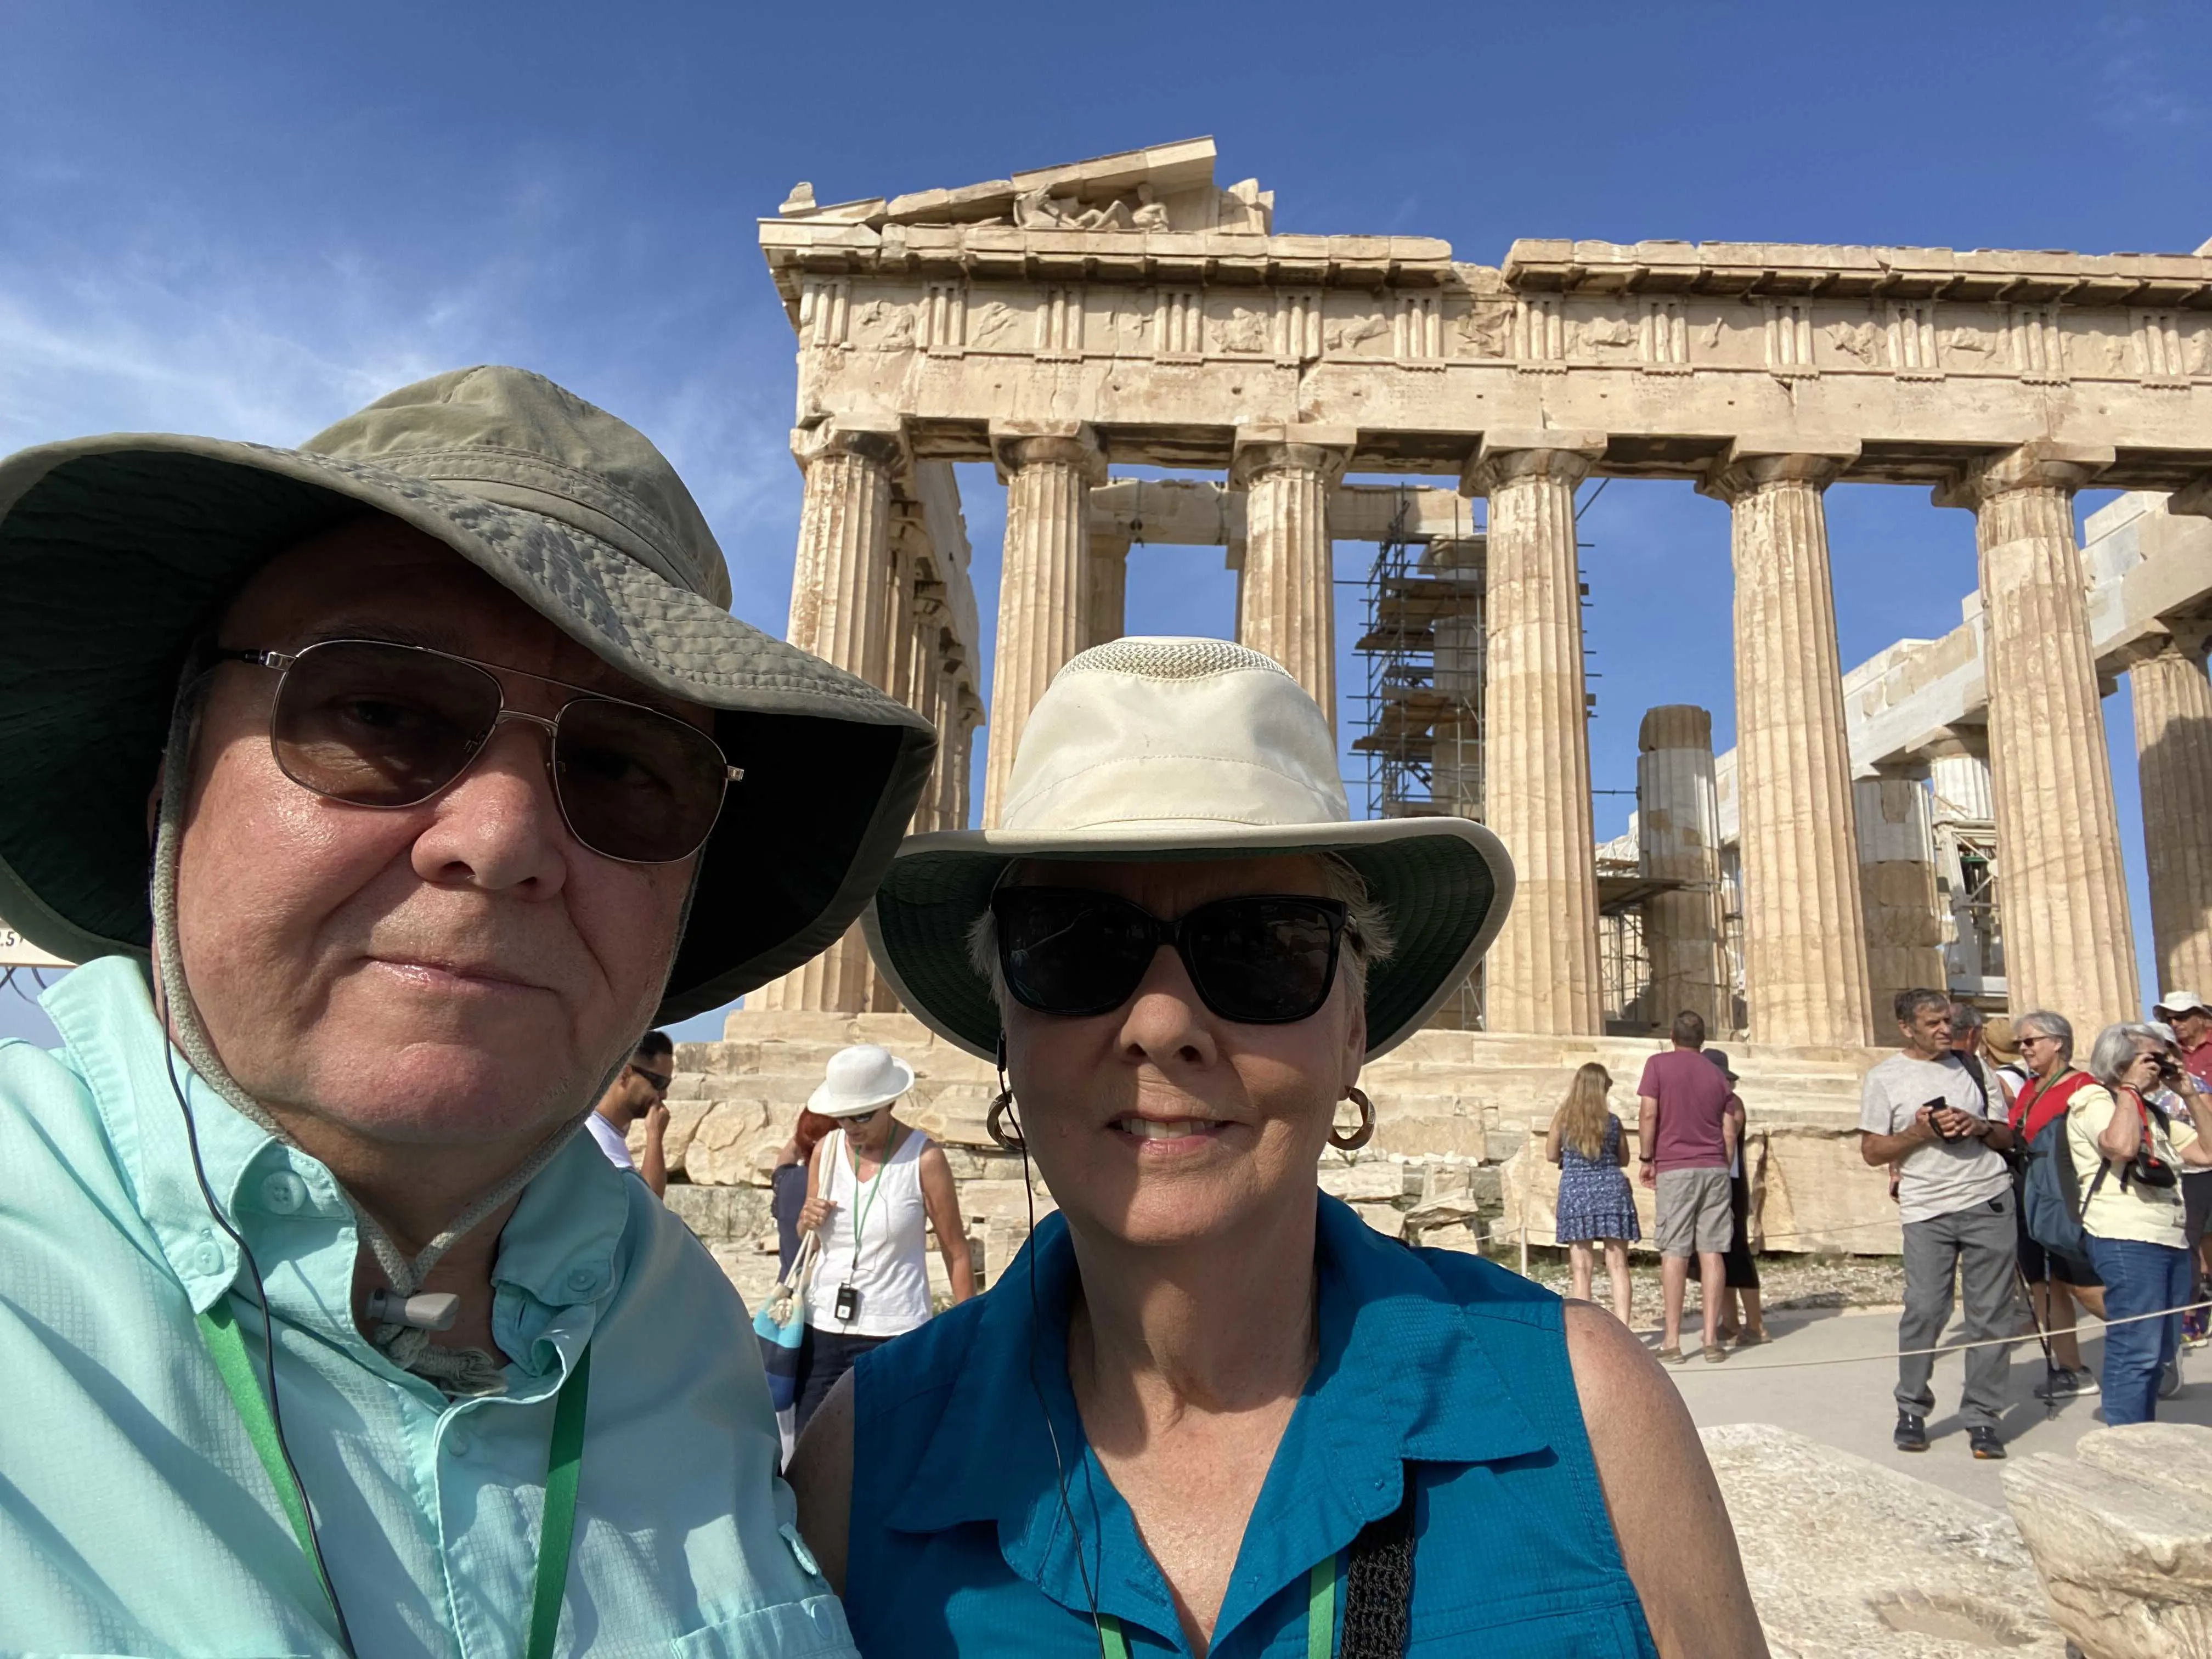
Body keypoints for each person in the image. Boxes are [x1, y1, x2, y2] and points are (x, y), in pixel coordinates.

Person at [0, 366, 938, 1654]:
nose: (501, 840)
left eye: (621, 768)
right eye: (380, 712)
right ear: (168, 784)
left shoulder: (677, 1327)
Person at [793, 637, 1766, 1658]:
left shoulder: (1588, 1414)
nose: (1161, 1022)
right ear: (1005, 1028)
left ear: (1354, 1027)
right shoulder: (860, 1464)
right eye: (1073, 943)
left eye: (1262, 947)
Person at [1858, 988, 2019, 1459]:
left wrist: (1980, 1126)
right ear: (1907, 1028)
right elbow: (1871, 1152)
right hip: (1927, 1207)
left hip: (1987, 1197)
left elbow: (2008, 1135)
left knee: (1991, 1315)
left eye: (1947, 1021)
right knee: (1926, 1310)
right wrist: (1918, 1132)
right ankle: (1911, 1408)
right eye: (1932, 1023)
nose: (1945, 1030)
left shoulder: (1973, 1067)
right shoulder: (1884, 1079)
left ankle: (1983, 1418)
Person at [792, 1043, 975, 1432]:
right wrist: (807, 1219)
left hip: (895, 1328)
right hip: (823, 1323)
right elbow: (808, 1237)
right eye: (842, 1117)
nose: (852, 1126)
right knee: (812, 1452)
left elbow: (955, 1251)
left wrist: (970, 1332)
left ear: (890, 1104)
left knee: (892, 1451)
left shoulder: (924, 1159)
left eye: (862, 1115)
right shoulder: (825, 1151)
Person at [2075, 1022, 2212, 1424]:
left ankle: (2141, 1433)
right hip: (2125, 1236)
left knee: (2162, 1349)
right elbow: (2120, 1147)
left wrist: (2189, 1093)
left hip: (2169, 1237)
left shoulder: (2155, 1112)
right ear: (2120, 1062)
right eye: (2149, 1059)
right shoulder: (2094, 1099)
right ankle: (2124, 1437)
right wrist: (2130, 1089)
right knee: (2136, 1346)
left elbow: (2207, 1152)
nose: (2159, 1067)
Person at [2008, 1011, 2104, 1398]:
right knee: (2045, 1286)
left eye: (2031, 1041)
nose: (2024, 1049)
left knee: (2082, 1285)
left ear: (2058, 1042)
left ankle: (2151, 1339)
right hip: (2028, 1192)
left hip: (2064, 1194)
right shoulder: (2030, 1087)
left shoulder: (2084, 1085)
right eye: (2020, 1043)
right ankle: (2072, 1369)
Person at [1637, 1009, 1741, 1364]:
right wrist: (1722, 1165)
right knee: (1712, 1251)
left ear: (1672, 1035)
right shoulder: (1718, 1075)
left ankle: (1672, 1341)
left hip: (1676, 1166)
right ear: (1703, 1039)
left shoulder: (1658, 1066)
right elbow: (1729, 1129)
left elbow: (1649, 1113)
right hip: (1713, 1165)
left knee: (1675, 1250)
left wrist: (1646, 1158)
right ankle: (1711, 1339)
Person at [1546, 1061, 1640, 1326]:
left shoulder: (1563, 1118)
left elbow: (1551, 1154)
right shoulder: (1612, 1121)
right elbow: (1624, 1158)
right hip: (1612, 1190)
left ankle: (1588, 1329)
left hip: (1576, 1190)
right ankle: (1624, 1327)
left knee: (1581, 1268)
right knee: (1618, 1264)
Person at [2153, 992, 2212, 1345]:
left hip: (2201, 1163)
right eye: (2169, 1018)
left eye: (2181, 1016)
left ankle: (2196, 1307)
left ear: (2200, 1016)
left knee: (2200, 1239)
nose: (2175, 1024)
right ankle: (2192, 1308)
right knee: (2187, 1241)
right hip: (2174, 1172)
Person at [1706, 1048, 1767, 1347]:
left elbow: (1727, 1135)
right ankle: (1730, 1322)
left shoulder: (1733, 1104)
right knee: (1720, 1253)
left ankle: (1755, 1323)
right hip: (1714, 1180)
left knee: (1738, 1253)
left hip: (1730, 1182)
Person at [585, 1028, 674, 1196]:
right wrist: (655, 1137)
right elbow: (648, 1208)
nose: (664, 1095)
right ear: (626, 1075)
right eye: (658, 1083)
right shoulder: (596, 1137)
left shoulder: (611, 1132)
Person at [774, 1106, 840, 1278]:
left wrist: (806, 1134)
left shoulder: (788, 1180)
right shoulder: (842, 1183)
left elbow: (784, 1160)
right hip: (822, 1287)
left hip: (790, 1285)